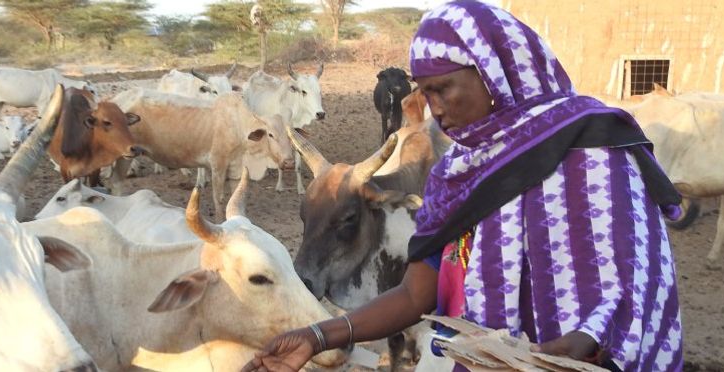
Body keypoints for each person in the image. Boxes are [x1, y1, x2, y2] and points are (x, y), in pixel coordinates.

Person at [242, 2, 684, 371]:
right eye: (423, 93)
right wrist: (316, 336)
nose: (434, 109)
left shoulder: (592, 145)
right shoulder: (458, 173)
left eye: (443, 88)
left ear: (493, 72)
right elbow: (417, 293)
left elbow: (638, 285)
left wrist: (584, 342)